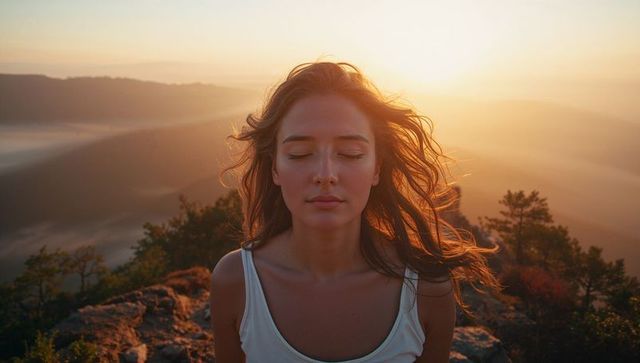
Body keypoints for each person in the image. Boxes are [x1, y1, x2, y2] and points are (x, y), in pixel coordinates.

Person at [210, 61, 502, 362]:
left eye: (351, 153)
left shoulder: (426, 289)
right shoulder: (237, 282)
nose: (325, 174)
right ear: (275, 168)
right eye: (300, 154)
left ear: (377, 167)